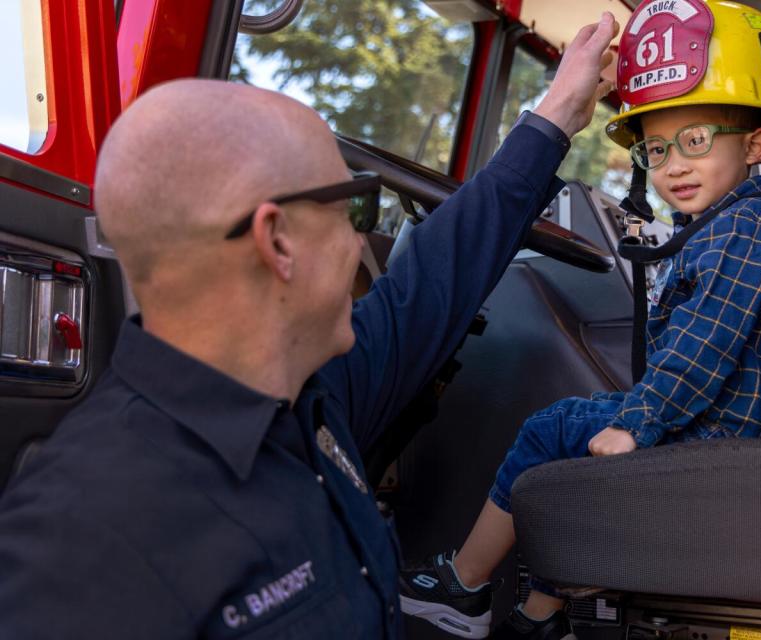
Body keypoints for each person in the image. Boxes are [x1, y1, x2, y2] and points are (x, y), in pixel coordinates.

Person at [0, 14, 619, 640]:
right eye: (350, 208)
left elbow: (437, 276)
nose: (358, 243)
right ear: (278, 242)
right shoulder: (77, 544)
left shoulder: (314, 396)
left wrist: (559, 113)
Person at [398, 2, 761, 638]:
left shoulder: (745, 226)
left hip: (727, 436)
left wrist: (638, 420)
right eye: (656, 150)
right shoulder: (728, 225)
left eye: (695, 141)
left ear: (756, 145)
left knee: (551, 430)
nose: (674, 165)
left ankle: (462, 585)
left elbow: (704, 344)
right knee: (581, 454)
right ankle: (537, 617)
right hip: (736, 425)